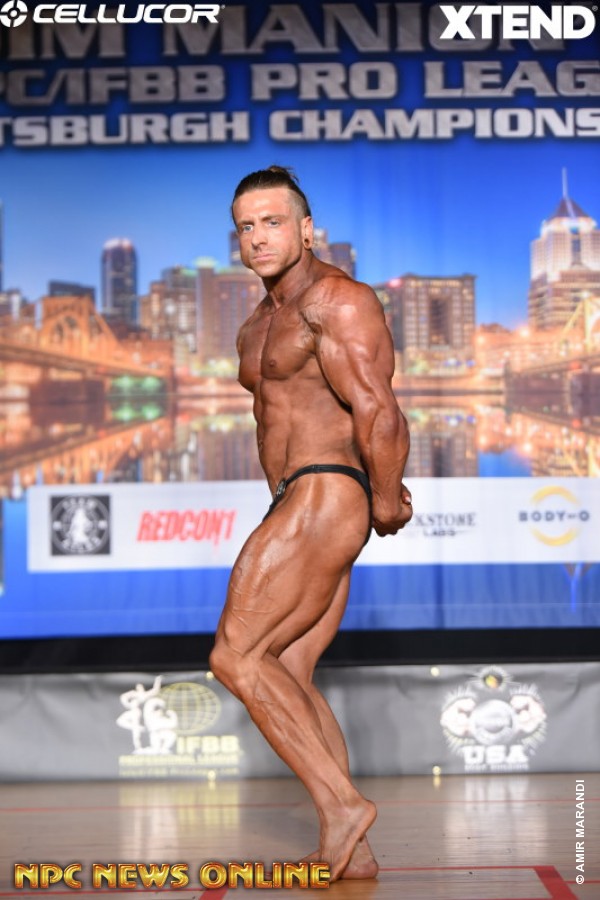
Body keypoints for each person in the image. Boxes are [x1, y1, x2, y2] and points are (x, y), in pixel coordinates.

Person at [209, 166, 412, 882]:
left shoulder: (338, 300)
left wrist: (384, 498)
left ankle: (343, 806)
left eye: (272, 222)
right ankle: (351, 850)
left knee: (235, 657)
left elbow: (377, 406)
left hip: (326, 489)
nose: (257, 237)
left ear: (306, 228)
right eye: (246, 226)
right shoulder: (257, 323)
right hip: (296, 496)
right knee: (288, 667)